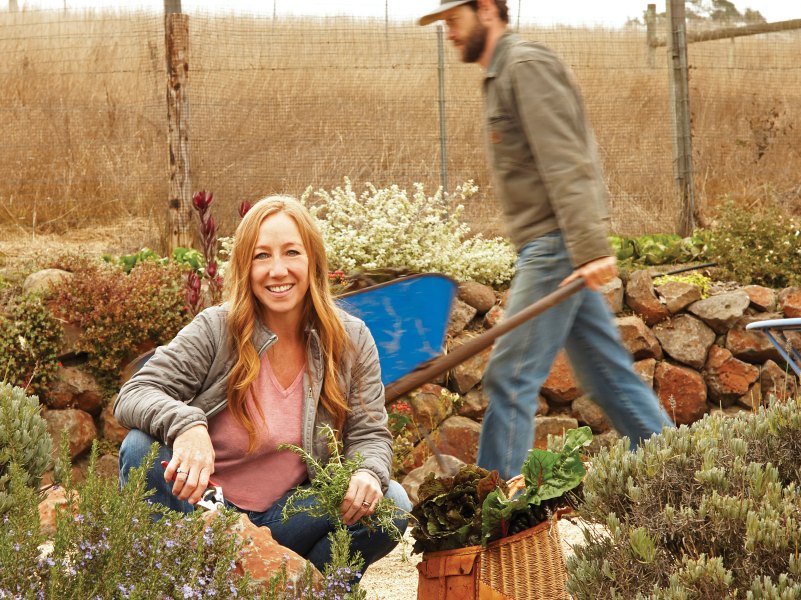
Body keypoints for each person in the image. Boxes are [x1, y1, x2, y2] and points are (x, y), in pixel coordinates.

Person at [419, 0, 673, 480]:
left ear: (489, 10)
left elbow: (566, 159)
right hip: (550, 245)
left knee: (511, 377)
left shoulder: (525, 66)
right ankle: (684, 481)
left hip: (556, 246)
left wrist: (590, 247)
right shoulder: (500, 75)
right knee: (608, 375)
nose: (449, 32)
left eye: (455, 20)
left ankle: (492, 517)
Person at [114, 196, 408, 580]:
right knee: (139, 447)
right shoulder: (216, 329)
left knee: (393, 504)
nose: (278, 270)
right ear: (244, 267)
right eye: (261, 256)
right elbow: (136, 392)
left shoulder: (349, 339)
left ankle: (310, 587)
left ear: (313, 261)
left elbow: (369, 434)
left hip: (290, 516)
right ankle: (171, 582)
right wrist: (187, 425)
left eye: (291, 253)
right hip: (205, 510)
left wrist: (368, 472)